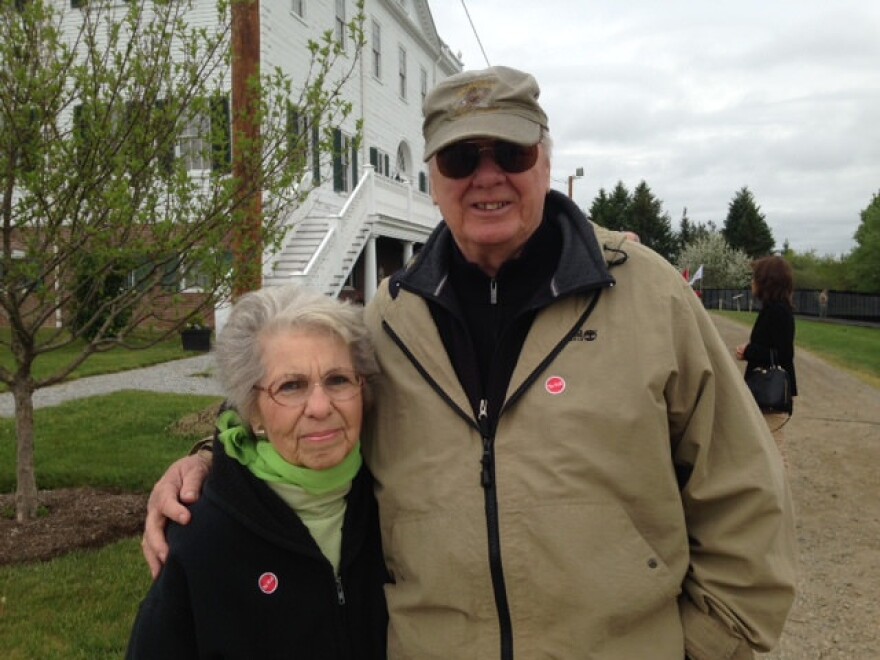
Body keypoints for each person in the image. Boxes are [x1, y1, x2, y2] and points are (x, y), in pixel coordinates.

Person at [143, 66, 796, 659]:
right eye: (461, 157)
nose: (487, 176)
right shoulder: (389, 320)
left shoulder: (651, 297)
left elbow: (742, 487)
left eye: (510, 152)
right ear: (433, 176)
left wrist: (706, 648)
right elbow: (309, 419)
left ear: (544, 160)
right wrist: (206, 465)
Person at [127, 284, 387, 659]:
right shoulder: (202, 539)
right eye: (291, 386)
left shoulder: (392, 504)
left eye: (338, 380)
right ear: (253, 410)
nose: (319, 405)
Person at [736, 255, 798, 458]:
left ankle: (780, 490)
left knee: (775, 450)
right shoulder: (773, 309)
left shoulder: (778, 311)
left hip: (772, 392)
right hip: (765, 391)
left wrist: (750, 351)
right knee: (766, 448)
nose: (752, 282)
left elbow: (785, 354)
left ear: (766, 282)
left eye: (755, 277)